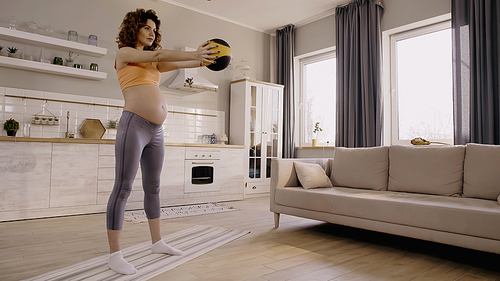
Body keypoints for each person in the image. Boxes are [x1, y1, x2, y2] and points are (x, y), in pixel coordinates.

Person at [106, 8, 218, 275]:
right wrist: (193, 53)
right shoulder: (125, 54)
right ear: (134, 28)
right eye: (147, 28)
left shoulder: (153, 63)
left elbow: (179, 63)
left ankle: (157, 242)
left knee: (153, 187)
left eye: (154, 30)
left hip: (156, 131)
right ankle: (114, 254)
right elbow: (158, 53)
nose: (151, 33)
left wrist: (202, 58)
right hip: (134, 125)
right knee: (123, 188)